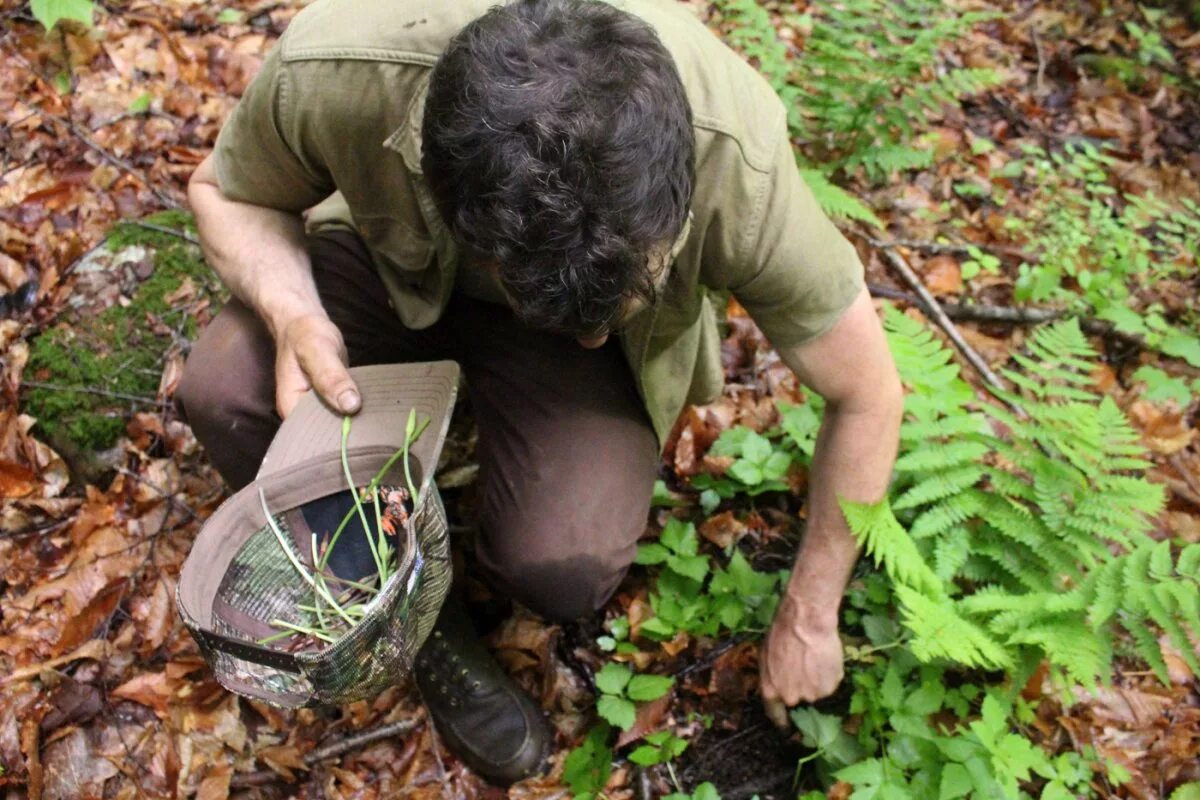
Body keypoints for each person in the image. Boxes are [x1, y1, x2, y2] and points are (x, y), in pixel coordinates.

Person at [178, 0, 904, 786]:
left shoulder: (738, 161)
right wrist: (293, 315)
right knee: (224, 390)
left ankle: (466, 523)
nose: (594, 331)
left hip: (552, 330)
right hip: (389, 262)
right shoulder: (344, 66)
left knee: (562, 563)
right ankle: (420, 624)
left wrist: (811, 609)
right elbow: (227, 192)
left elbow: (868, 393)